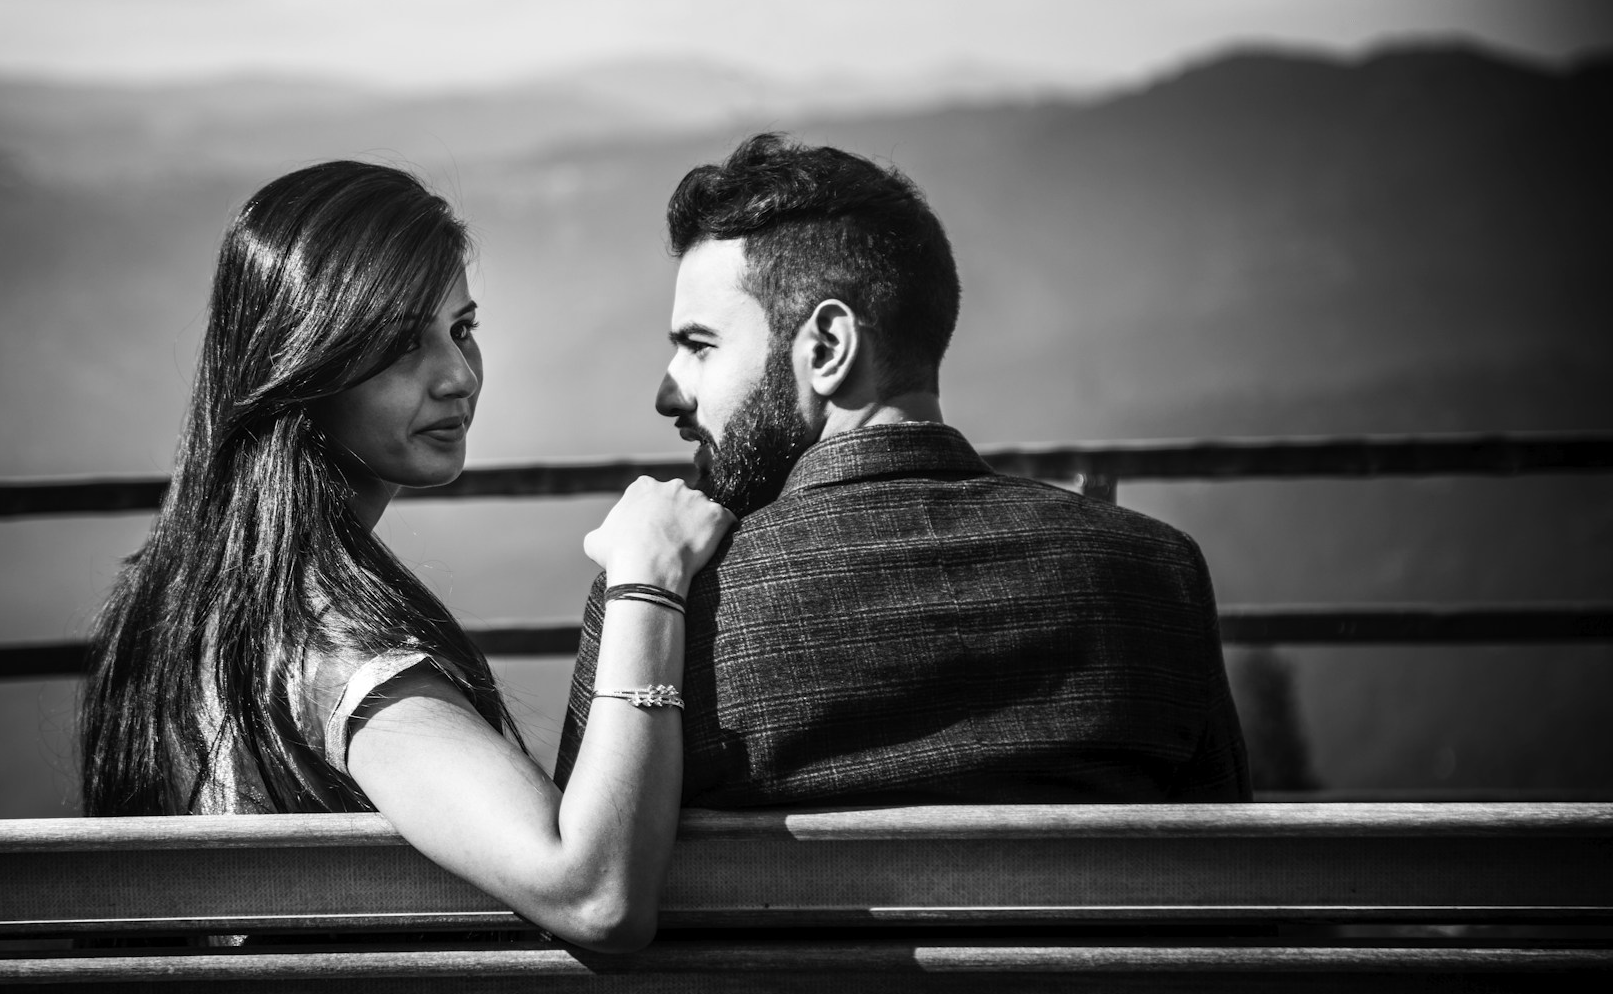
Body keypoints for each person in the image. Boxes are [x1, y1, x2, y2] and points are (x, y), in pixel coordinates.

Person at [81, 161, 733, 952]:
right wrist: (648, 583)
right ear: (302, 360)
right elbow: (594, 893)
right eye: (400, 343)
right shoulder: (332, 646)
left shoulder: (181, 596)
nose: (458, 377)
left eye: (462, 330)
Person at [555, 134, 1251, 804]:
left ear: (827, 346)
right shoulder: (1156, 579)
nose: (667, 392)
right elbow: (1233, 887)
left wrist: (642, 603)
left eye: (699, 345)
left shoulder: (666, 616)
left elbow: (598, 873)